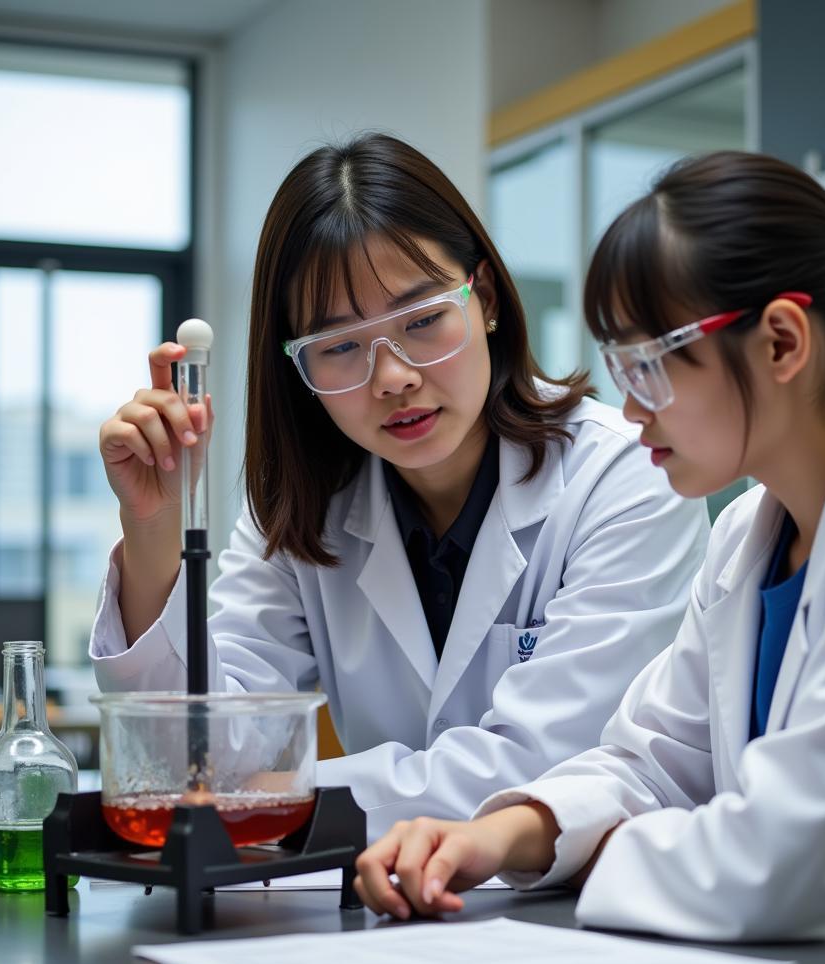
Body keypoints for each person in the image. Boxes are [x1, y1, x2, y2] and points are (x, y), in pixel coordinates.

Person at [353, 150, 825, 964]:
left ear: (781, 341)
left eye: (650, 365)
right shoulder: (749, 539)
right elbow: (653, 758)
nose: (628, 407)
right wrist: (496, 836)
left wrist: (636, 855)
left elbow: (787, 867)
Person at [90, 134, 710, 841]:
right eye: (340, 346)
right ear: (296, 367)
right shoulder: (302, 512)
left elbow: (545, 764)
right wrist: (151, 533)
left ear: (485, 299)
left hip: (583, 911)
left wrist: (286, 792)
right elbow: (195, 762)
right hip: (386, 915)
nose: (392, 378)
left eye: (421, 321)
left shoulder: (623, 474)